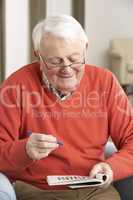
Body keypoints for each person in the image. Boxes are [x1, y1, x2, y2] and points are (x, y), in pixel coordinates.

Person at [0, 14, 133, 200]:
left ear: (85, 49)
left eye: (74, 59)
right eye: (56, 61)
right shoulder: (15, 87)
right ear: (38, 55)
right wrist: (24, 150)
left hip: (95, 189)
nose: (67, 69)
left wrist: (111, 167)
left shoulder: (105, 82)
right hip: (37, 190)